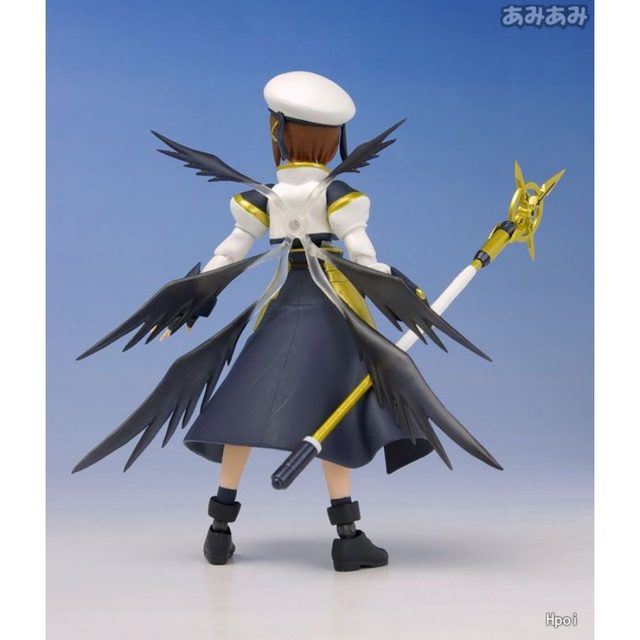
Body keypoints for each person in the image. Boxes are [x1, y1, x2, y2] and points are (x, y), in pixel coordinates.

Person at [74, 71, 501, 572]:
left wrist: (194, 295)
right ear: (333, 140)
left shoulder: (265, 196)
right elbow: (364, 259)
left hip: (280, 306)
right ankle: (347, 537)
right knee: (334, 413)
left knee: (242, 406)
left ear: (278, 131)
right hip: (331, 312)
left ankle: (218, 530)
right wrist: (407, 294)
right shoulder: (337, 195)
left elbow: (227, 255)